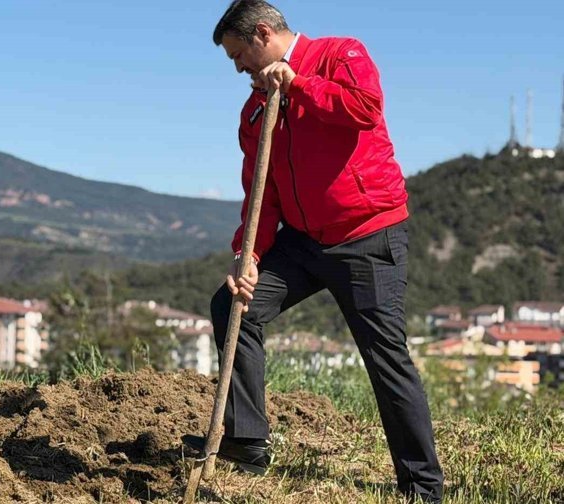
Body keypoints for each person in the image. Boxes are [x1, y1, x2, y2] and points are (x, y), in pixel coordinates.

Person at [182, 1, 444, 502]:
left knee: (385, 357)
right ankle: (247, 440)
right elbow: (262, 192)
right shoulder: (255, 108)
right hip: (303, 241)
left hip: (367, 235)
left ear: (262, 34)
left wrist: (297, 83)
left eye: (240, 55)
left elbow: (364, 108)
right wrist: (249, 257)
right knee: (234, 305)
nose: (239, 68)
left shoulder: (340, 54)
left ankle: (423, 486)